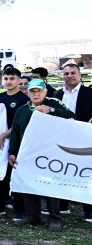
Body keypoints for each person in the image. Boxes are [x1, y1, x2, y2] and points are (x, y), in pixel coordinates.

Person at [10, 79, 74, 232]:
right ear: (28, 92)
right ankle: (32, 216)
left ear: (45, 91)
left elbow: (71, 116)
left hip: (50, 153)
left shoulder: (54, 103)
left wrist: (50, 110)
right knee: (28, 184)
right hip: (27, 154)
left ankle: (54, 218)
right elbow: (15, 133)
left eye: (39, 90)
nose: (36, 93)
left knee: (50, 185)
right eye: (32, 91)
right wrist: (12, 152)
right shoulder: (22, 110)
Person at [0, 65, 30, 219]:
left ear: (18, 80)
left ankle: (20, 210)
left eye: (12, 79)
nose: (8, 81)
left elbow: (20, 123)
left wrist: (5, 134)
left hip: (17, 142)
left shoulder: (25, 99)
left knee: (14, 175)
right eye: (6, 78)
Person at [54, 62, 92, 222]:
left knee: (85, 173)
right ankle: (62, 206)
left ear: (79, 75)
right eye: (66, 73)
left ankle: (89, 210)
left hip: (84, 138)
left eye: (72, 73)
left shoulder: (89, 93)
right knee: (62, 171)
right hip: (61, 139)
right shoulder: (56, 95)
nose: (69, 76)